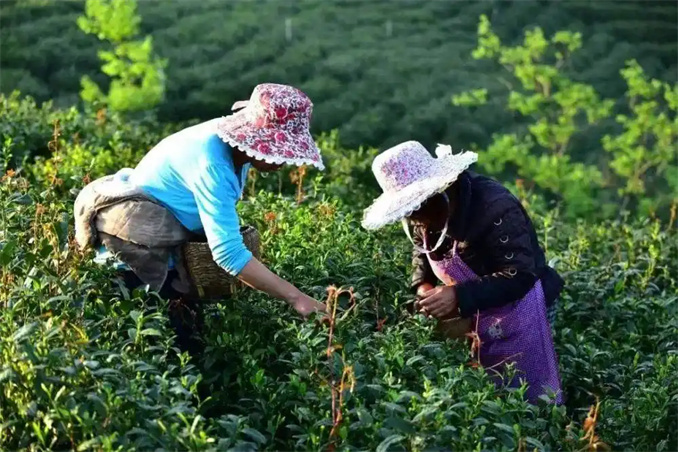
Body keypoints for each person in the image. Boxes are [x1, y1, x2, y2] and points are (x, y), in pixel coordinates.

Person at [75, 83, 327, 353]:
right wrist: (297, 299)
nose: (284, 160)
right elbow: (228, 254)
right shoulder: (213, 163)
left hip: (162, 249)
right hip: (135, 256)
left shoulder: (234, 148)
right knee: (169, 352)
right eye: (279, 149)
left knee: (187, 342)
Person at [361, 141, 564, 404]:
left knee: (529, 394)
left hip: (523, 304)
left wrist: (458, 295)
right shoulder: (424, 213)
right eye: (410, 213)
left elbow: (520, 274)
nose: (417, 220)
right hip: (477, 307)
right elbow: (421, 249)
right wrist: (423, 286)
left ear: (441, 190)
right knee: (484, 394)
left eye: (419, 209)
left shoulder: (495, 207)